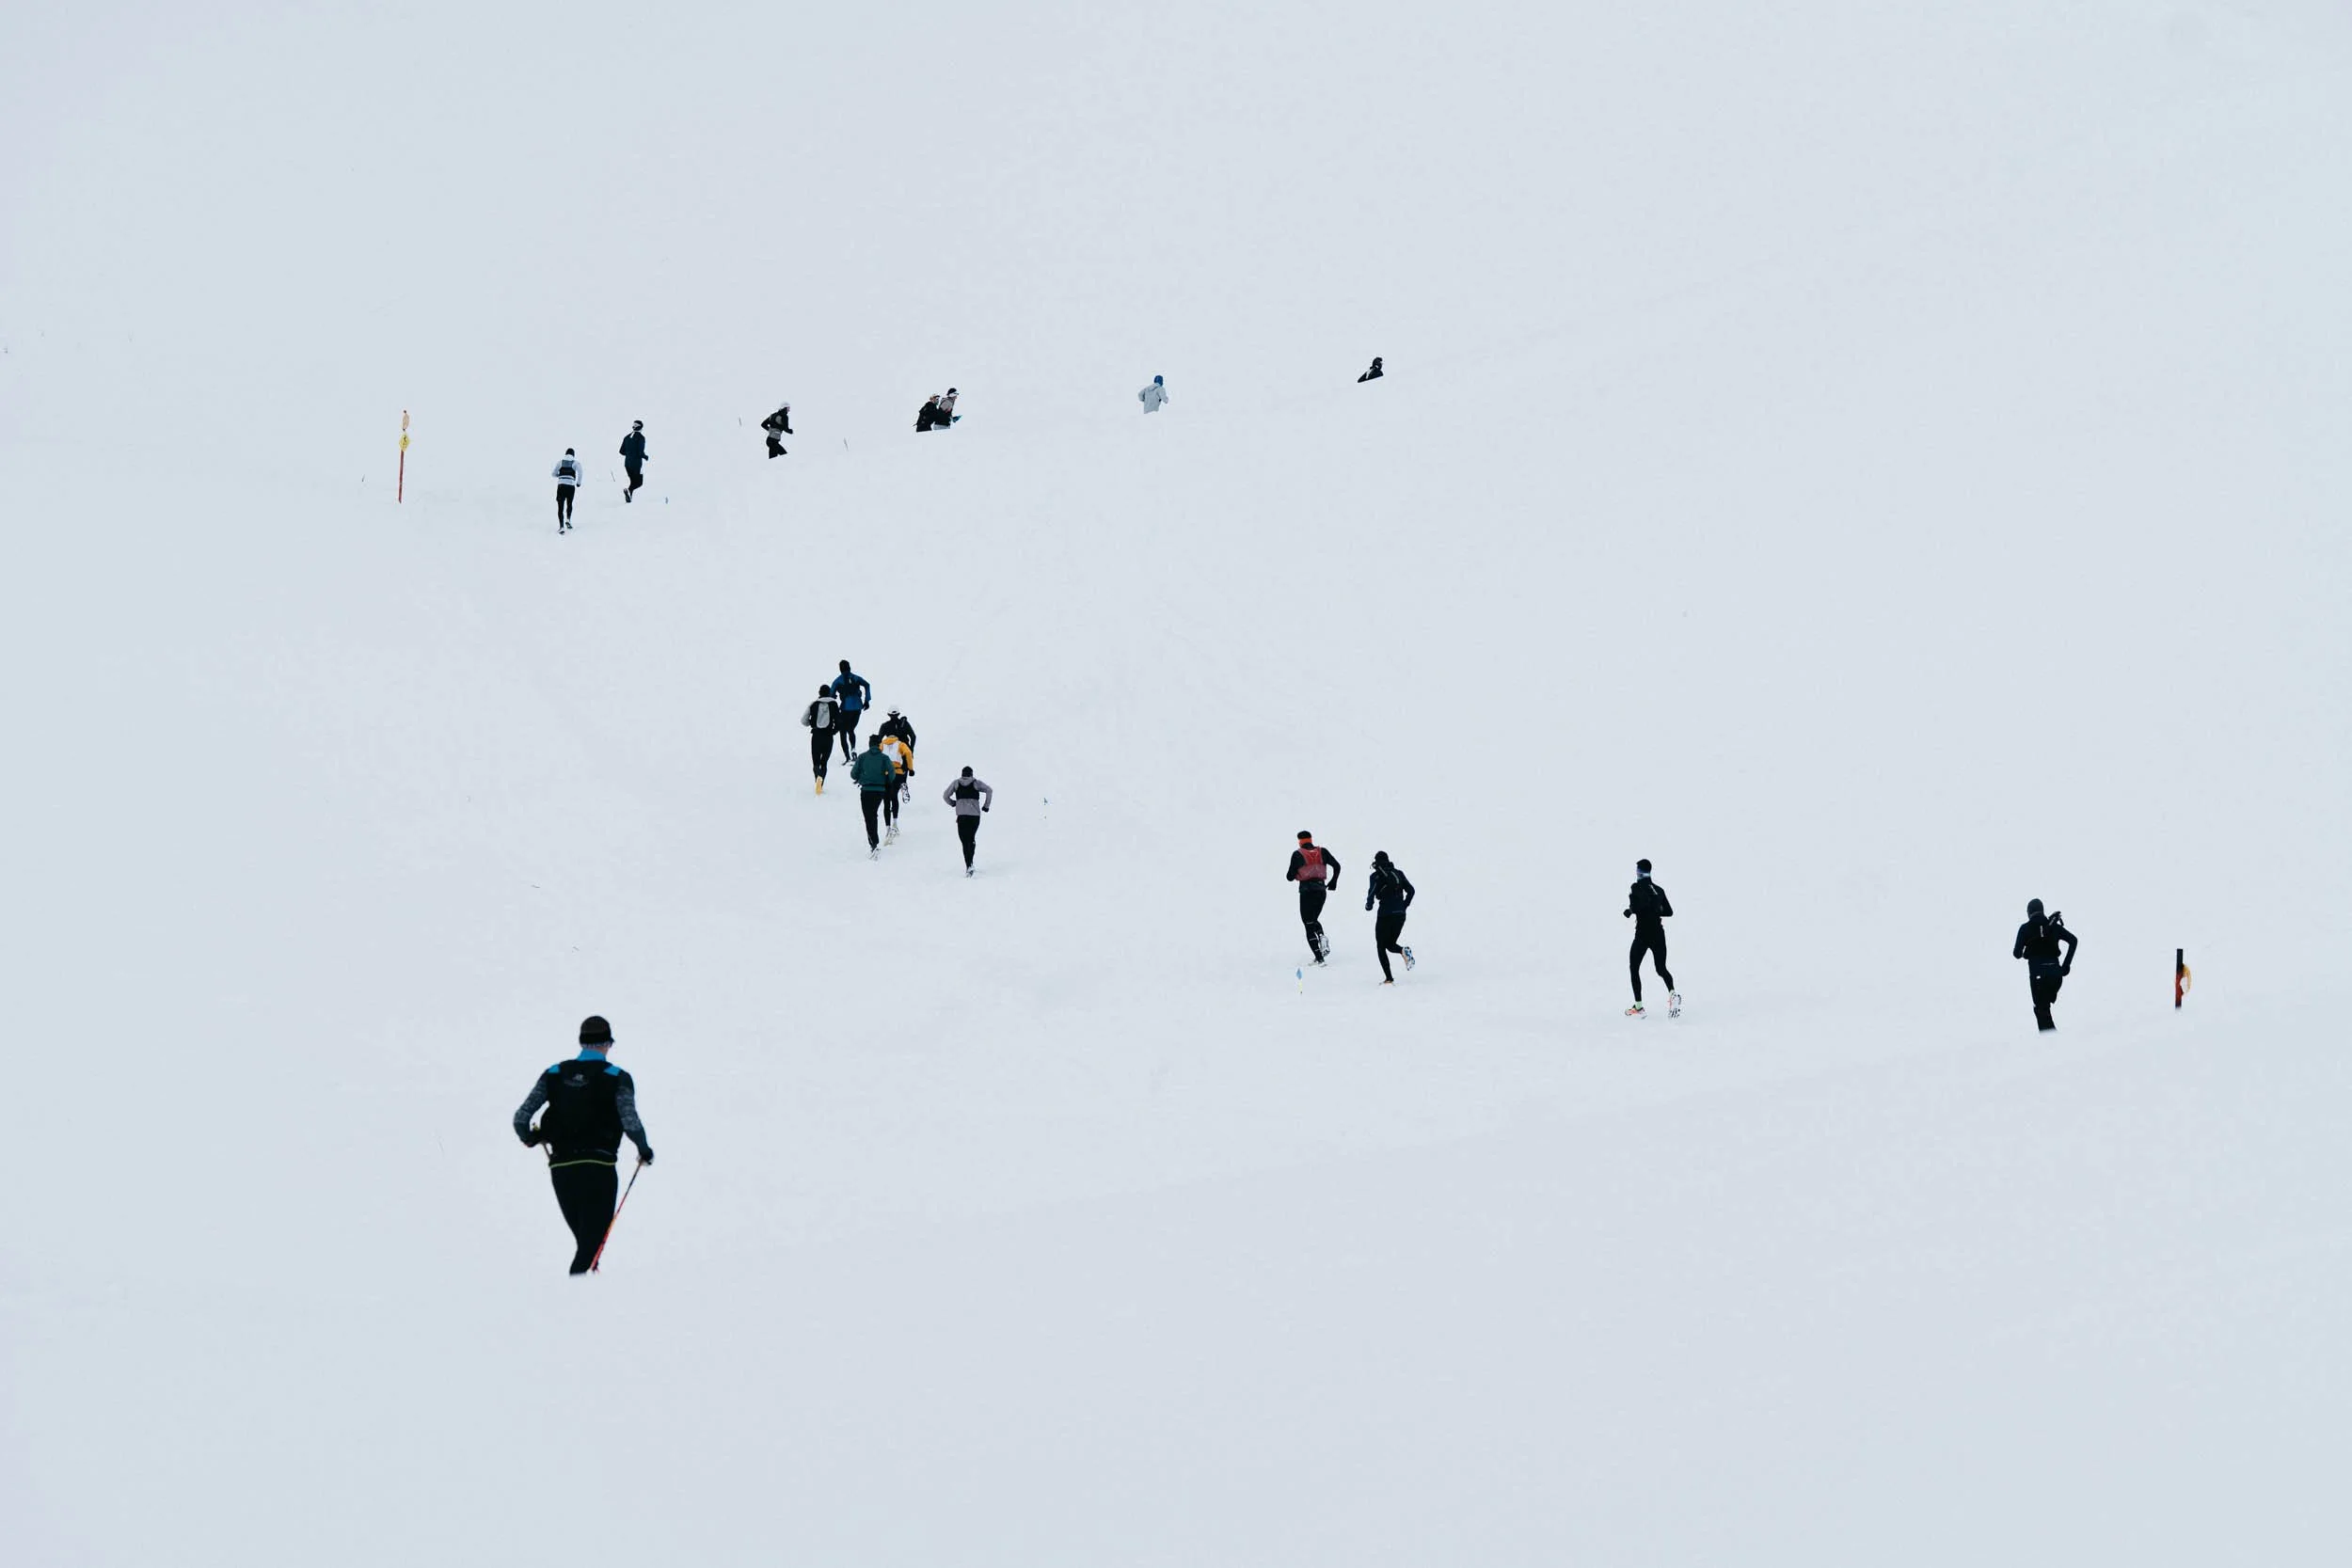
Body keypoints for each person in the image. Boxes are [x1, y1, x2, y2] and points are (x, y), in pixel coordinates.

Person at [512, 1015, 654, 1275]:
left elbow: (521, 1118)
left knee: (587, 1247)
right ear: (608, 1044)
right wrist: (644, 1150)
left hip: (562, 1168)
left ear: (580, 1042)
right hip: (599, 1167)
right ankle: (570, 1303)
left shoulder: (554, 1073)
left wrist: (531, 1138)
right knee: (590, 1248)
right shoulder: (618, 1077)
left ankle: (588, 1305)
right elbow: (630, 1120)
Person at [2013, 898, 2079, 1032]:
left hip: (2038, 977)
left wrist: (2027, 948)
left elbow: (2017, 954)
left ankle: (2052, 1045)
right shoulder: (2053, 926)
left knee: (2041, 1011)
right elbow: (2073, 940)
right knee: (2045, 1011)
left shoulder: (2025, 928)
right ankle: (2052, 1044)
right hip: (2056, 977)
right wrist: (2066, 966)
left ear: (2029, 912)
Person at [1623, 859, 1678, 1017]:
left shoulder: (1635, 887)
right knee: (1661, 969)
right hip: (1658, 934)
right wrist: (1655, 909)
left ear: (1639, 872)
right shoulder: (1659, 890)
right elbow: (1669, 912)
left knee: (1634, 968)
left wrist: (1630, 911)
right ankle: (1673, 994)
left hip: (1642, 935)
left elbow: (1637, 906)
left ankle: (1639, 1007)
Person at [1286, 831, 1341, 965]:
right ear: (1311, 839)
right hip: (1321, 890)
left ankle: (1320, 959)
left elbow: (1289, 877)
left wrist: (1297, 872)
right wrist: (1333, 881)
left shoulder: (1298, 854)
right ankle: (1321, 936)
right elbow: (1337, 866)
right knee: (1314, 919)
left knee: (1308, 923)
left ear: (1300, 841)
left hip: (1306, 891)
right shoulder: (1322, 851)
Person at [1364, 851, 1417, 984]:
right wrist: (1404, 906)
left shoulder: (1375, 876)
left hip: (1385, 915)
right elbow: (1411, 890)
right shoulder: (1398, 873)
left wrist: (1368, 906)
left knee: (1381, 946)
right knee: (1390, 944)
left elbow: (1371, 893)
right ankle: (1403, 951)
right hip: (1400, 915)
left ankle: (1389, 978)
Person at [850, 734, 898, 857]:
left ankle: (874, 844)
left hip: (866, 790)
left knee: (869, 816)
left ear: (869, 744)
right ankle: (874, 843)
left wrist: (861, 776)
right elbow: (892, 773)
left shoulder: (862, 757)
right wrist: (887, 781)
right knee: (874, 814)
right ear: (879, 745)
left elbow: (853, 774)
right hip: (880, 790)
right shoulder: (884, 758)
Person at [943, 766, 993, 875]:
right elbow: (989, 790)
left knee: (964, 841)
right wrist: (986, 806)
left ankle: (969, 865)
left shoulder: (956, 783)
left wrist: (953, 803)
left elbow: (945, 796)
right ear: (971, 774)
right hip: (974, 816)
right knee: (971, 838)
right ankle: (970, 863)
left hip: (962, 816)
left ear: (962, 774)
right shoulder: (976, 783)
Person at [830, 660, 871, 763]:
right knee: (851, 730)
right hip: (857, 708)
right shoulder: (856, 678)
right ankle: (853, 750)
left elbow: (831, 694)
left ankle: (847, 757)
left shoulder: (838, 681)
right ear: (849, 668)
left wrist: (834, 696)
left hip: (846, 709)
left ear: (840, 669)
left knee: (843, 732)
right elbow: (867, 685)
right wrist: (867, 700)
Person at [801, 684, 839, 793]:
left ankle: (817, 777)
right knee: (824, 763)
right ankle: (821, 784)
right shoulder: (834, 704)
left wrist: (811, 724)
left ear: (819, 693)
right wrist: (834, 731)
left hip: (816, 736)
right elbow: (839, 722)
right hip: (828, 736)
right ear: (829, 693)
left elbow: (803, 721)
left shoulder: (813, 704)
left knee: (816, 762)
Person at [877, 730, 913, 839]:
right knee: (894, 797)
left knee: (886, 801)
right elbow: (908, 753)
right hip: (897, 773)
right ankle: (895, 823)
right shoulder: (900, 744)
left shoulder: (882, 744)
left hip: (885, 774)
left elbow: (878, 756)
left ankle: (887, 828)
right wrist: (910, 769)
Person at [552, 449, 581, 532]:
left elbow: (553, 474)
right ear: (573, 455)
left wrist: (560, 475)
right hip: (571, 486)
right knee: (569, 503)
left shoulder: (560, 462)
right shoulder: (576, 463)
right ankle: (568, 519)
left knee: (560, 506)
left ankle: (561, 526)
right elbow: (580, 472)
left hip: (561, 485)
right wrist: (578, 483)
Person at [619, 420, 647, 502]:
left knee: (633, 482)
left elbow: (621, 451)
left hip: (627, 464)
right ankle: (628, 490)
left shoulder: (627, 437)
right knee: (639, 483)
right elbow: (640, 453)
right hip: (636, 464)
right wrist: (646, 457)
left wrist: (629, 453)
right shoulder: (641, 438)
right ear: (641, 428)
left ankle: (629, 498)